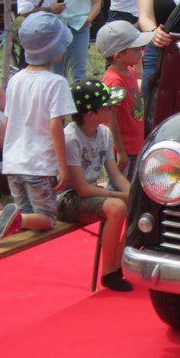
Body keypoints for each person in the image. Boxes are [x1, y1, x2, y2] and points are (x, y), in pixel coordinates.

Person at [0, 13, 77, 243]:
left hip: (13, 163)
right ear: (57, 51)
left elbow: (8, 121)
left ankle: (9, 218)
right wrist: (63, 166)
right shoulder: (56, 83)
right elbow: (55, 126)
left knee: (25, 216)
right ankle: (14, 219)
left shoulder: (16, 79)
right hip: (38, 165)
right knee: (46, 218)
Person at [57, 79, 133, 291]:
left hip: (90, 193)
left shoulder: (105, 133)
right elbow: (81, 189)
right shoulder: (71, 138)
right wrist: (121, 196)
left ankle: (119, 263)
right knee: (117, 207)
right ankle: (108, 273)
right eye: (107, 107)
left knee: (138, 203)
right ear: (91, 115)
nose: (111, 109)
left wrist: (134, 194)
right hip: (66, 198)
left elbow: (116, 176)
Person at [96, 21, 153, 179]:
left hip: (134, 144)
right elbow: (110, 119)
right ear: (118, 56)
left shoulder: (130, 71)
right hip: (123, 149)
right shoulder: (114, 81)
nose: (141, 50)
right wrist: (120, 151)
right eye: (135, 49)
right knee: (119, 184)